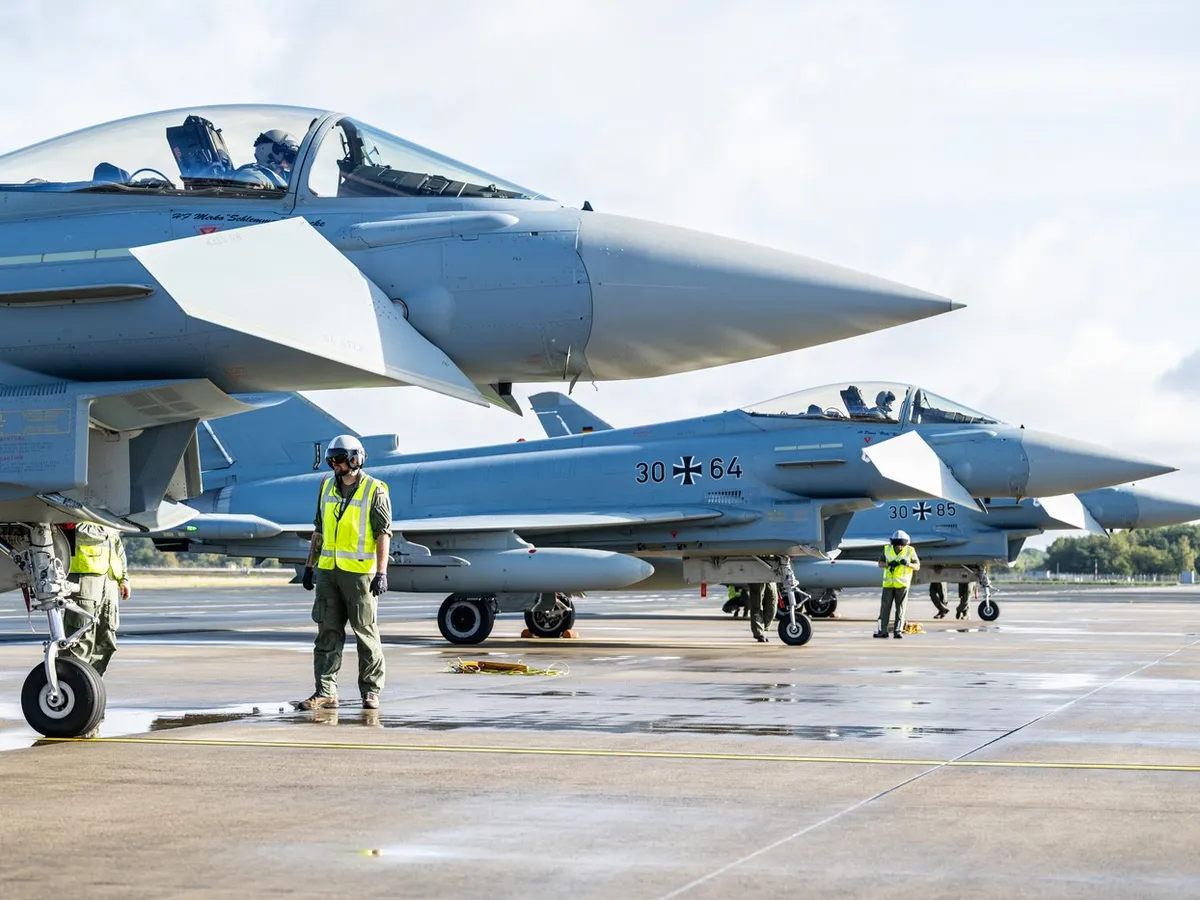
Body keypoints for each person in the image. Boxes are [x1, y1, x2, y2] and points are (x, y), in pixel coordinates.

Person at [298, 434, 391, 711]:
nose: (334, 465)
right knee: (327, 632)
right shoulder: (325, 486)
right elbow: (319, 530)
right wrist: (309, 566)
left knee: (365, 633)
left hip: (359, 574)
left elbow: (383, 533)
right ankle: (325, 691)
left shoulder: (375, 489)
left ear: (355, 459)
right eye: (332, 460)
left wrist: (381, 572)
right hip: (328, 571)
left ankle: (371, 691)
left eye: (339, 460)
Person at [64, 522, 130, 677]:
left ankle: (90, 682)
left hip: (110, 579)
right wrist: (107, 531)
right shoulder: (77, 505)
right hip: (85, 575)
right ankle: (72, 680)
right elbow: (71, 529)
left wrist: (124, 578)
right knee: (80, 636)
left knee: (106, 637)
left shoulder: (106, 513)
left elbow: (117, 545)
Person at [875, 530, 920, 639]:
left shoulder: (910, 551)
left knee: (900, 609)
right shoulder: (887, 550)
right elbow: (880, 564)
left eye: (902, 545)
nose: (900, 547)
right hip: (888, 584)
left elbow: (917, 566)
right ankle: (882, 631)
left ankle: (898, 631)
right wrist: (889, 564)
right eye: (898, 545)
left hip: (902, 585)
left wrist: (908, 564)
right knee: (884, 609)